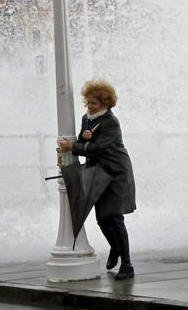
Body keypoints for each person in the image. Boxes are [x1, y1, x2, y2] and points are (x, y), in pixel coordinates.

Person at [58, 79, 136, 281]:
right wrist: (82, 138)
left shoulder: (111, 122)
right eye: (88, 102)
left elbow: (99, 148)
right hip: (99, 173)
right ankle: (115, 248)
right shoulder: (87, 118)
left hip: (117, 173)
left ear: (105, 103)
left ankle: (127, 265)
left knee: (115, 218)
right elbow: (85, 142)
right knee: (102, 219)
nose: (90, 106)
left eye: (94, 103)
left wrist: (74, 147)